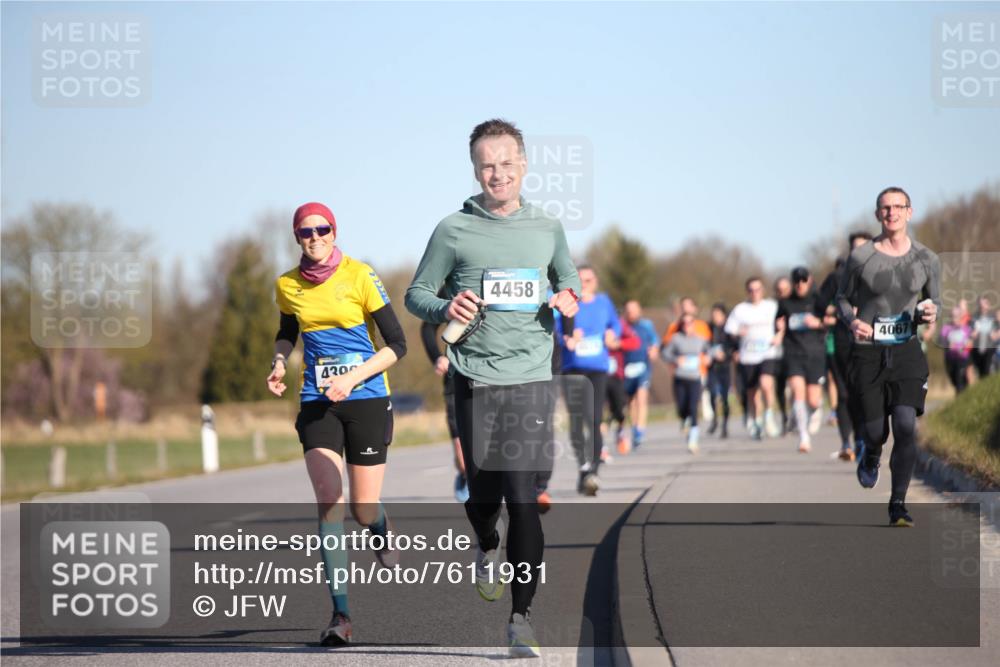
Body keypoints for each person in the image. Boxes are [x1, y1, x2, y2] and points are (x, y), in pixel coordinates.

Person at [405, 119, 580, 657]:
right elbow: (416, 295)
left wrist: (569, 298)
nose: (497, 173)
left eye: (506, 163)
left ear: (523, 165)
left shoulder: (547, 227)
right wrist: (444, 306)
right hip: (474, 378)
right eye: (487, 164)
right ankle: (486, 544)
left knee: (524, 499)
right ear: (475, 169)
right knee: (484, 496)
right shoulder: (453, 230)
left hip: (530, 374)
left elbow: (567, 278)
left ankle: (521, 618)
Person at [267, 201, 407, 646]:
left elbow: (397, 344)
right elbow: (288, 329)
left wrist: (352, 377)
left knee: (363, 509)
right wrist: (278, 360)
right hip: (317, 401)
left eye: (321, 229)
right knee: (330, 499)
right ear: (296, 238)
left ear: (334, 230)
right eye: (304, 232)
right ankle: (341, 615)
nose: (314, 237)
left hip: (366, 397)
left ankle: (380, 530)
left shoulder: (360, 275)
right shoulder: (287, 284)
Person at [837, 187, 940, 527]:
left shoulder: (927, 259)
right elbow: (841, 300)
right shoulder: (861, 257)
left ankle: (898, 504)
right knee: (875, 431)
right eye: (885, 208)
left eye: (898, 207)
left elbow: (934, 302)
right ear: (877, 215)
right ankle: (871, 453)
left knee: (907, 426)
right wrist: (852, 322)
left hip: (907, 349)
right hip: (868, 353)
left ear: (909, 212)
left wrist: (930, 312)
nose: (892, 213)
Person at [556, 265, 621, 494]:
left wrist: (613, 333)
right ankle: (583, 467)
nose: (585, 283)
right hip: (573, 368)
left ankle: (593, 470)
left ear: (596, 281)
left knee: (593, 418)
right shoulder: (568, 303)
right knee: (577, 419)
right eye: (580, 280)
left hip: (597, 368)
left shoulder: (604, 302)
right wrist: (567, 338)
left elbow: (615, 324)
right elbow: (554, 328)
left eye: (589, 279)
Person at [420, 293, 468, 502]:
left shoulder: (499, 283)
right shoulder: (453, 289)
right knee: (463, 455)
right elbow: (427, 328)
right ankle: (465, 474)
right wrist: (437, 357)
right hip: (455, 377)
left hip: (494, 374)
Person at [776, 267, 828, 453]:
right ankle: (804, 437)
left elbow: (833, 321)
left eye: (803, 280)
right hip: (793, 353)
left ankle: (810, 414)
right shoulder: (785, 303)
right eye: (796, 281)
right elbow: (779, 324)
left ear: (810, 280)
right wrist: (779, 328)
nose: (800, 284)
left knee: (813, 401)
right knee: (797, 391)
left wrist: (819, 323)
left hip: (815, 353)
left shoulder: (818, 301)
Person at [725, 277, 781, 440]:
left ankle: (769, 416)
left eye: (757, 289)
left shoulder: (772, 307)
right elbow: (729, 330)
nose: (754, 293)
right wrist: (737, 333)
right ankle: (756, 420)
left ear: (762, 290)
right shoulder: (740, 309)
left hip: (768, 353)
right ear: (747, 292)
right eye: (751, 290)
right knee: (752, 392)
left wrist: (779, 335)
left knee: (766, 383)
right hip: (748, 356)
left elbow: (782, 324)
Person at [661, 313, 710, 453]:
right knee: (682, 407)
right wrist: (676, 360)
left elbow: (709, 351)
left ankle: (693, 439)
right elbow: (665, 353)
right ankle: (684, 420)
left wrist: (708, 358)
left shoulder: (700, 339)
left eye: (690, 323)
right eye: (684, 323)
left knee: (693, 407)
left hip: (694, 378)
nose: (687, 326)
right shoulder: (676, 339)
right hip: (680, 378)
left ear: (693, 324)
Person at [622, 300, 660, 449]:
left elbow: (655, 341)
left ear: (640, 311)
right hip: (627, 367)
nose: (631, 313)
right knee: (631, 401)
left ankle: (640, 430)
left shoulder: (646, 325)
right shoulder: (622, 325)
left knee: (642, 397)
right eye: (629, 310)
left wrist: (654, 350)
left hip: (643, 366)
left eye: (634, 310)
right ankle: (634, 428)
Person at [607, 313, 641, 455]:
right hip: (594, 372)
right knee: (597, 409)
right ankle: (600, 447)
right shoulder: (589, 320)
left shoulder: (619, 323)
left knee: (619, 407)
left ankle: (620, 431)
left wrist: (618, 344)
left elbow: (636, 342)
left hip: (617, 373)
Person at [707, 303, 736, 439]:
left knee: (724, 397)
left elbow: (735, 348)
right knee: (712, 394)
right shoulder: (708, 328)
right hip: (712, 367)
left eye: (718, 315)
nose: (715, 317)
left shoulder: (729, 330)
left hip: (724, 367)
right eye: (713, 315)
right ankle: (715, 418)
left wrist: (726, 354)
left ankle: (725, 425)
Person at [772, 277, 793, 434]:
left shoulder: (796, 304)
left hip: (796, 351)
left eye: (785, 289)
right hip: (777, 352)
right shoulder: (773, 307)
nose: (782, 293)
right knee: (779, 388)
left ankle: (795, 414)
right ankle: (784, 415)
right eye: (779, 290)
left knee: (795, 385)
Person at [940, 306, 973, 394]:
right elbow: (941, 342)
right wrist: (947, 344)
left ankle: (961, 399)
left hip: (962, 358)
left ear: (961, 316)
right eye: (952, 316)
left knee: (959, 381)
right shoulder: (946, 328)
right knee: (954, 381)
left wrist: (964, 347)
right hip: (950, 359)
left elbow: (970, 343)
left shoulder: (966, 329)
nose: (954, 318)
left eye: (956, 316)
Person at [970, 296, 996, 380]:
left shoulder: (993, 318)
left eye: (985, 304)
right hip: (977, 349)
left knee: (987, 370)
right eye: (981, 304)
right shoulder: (974, 318)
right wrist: (974, 332)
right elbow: (971, 334)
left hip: (990, 349)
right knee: (980, 372)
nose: (983, 307)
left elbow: (995, 335)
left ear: (989, 305)